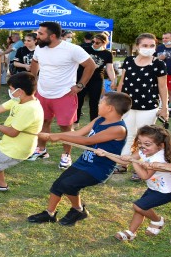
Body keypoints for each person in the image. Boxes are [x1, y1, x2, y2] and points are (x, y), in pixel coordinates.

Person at [27, 91, 132, 226]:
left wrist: (59, 136)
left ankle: (78, 210)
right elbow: (77, 133)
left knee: (68, 184)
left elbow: (87, 141)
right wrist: (52, 135)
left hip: (98, 168)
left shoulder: (118, 129)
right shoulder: (99, 119)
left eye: (101, 102)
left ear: (110, 108)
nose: (98, 104)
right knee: (59, 184)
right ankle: (49, 214)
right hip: (85, 161)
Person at [29, 22, 96, 170]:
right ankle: (41, 149)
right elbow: (35, 62)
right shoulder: (40, 48)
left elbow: (91, 66)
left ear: (52, 36)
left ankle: (66, 155)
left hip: (65, 94)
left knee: (65, 127)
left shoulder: (72, 49)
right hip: (42, 93)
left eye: (41, 34)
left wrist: (80, 85)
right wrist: (32, 83)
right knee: (43, 122)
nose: (37, 36)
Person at [94, 125, 171, 241]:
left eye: (147, 144)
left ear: (160, 145)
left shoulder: (158, 159)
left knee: (139, 206)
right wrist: (106, 154)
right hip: (154, 188)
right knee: (141, 207)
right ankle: (131, 232)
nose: (142, 146)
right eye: (140, 142)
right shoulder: (143, 151)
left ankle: (157, 220)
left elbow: (145, 176)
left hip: (166, 191)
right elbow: (123, 160)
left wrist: (135, 162)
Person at [115, 33, 169, 179]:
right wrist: (117, 101)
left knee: (144, 138)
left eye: (152, 46)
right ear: (137, 46)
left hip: (149, 106)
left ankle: (140, 167)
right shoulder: (128, 61)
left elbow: (163, 87)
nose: (148, 48)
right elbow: (122, 82)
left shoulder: (158, 63)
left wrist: (165, 107)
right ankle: (123, 163)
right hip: (127, 106)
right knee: (127, 134)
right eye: (145, 45)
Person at [76, 33, 117, 126]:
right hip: (82, 78)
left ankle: (93, 123)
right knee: (79, 99)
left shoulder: (107, 54)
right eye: (93, 41)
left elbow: (109, 69)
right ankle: (75, 121)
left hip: (96, 79)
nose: (94, 44)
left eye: (97, 43)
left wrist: (113, 80)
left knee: (94, 102)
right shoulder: (85, 49)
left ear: (104, 43)